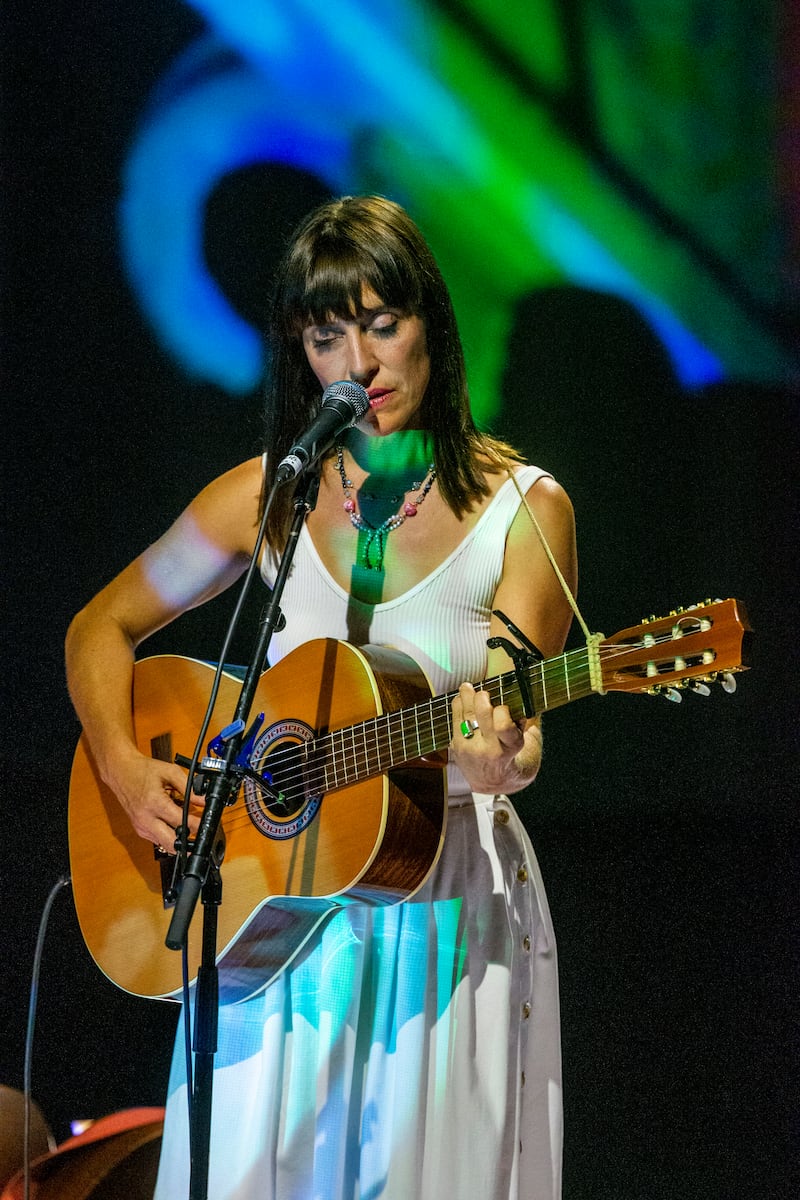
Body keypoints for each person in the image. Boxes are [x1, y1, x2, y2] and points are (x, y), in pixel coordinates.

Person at [65, 194, 577, 1200]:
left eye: (383, 324)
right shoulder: (269, 497)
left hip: (441, 921)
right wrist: (127, 774)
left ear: (431, 322)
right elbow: (99, 630)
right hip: (274, 926)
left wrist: (495, 752)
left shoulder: (525, 510)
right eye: (326, 335)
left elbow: (512, 735)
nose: (360, 364)